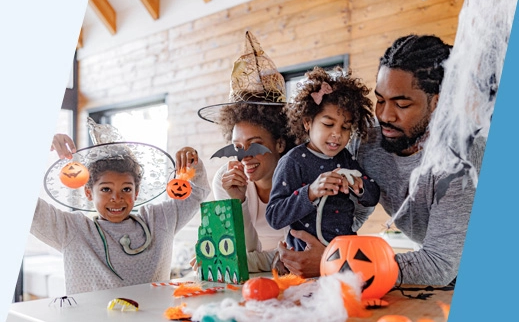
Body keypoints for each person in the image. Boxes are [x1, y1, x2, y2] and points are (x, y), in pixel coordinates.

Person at [277, 34, 485, 286]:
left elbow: (438, 264)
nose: (385, 115)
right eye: (380, 100)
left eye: (402, 104)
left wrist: (334, 262)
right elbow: (355, 210)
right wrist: (314, 243)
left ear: (437, 104)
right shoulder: (368, 140)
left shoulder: (462, 155)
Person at [30, 122, 210, 294]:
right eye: (106, 189)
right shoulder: (73, 229)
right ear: (88, 193)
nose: (116, 198)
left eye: (126, 189)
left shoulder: (158, 220)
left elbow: (197, 192)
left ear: (136, 192)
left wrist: (192, 161)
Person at [197, 31, 296, 272]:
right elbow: (240, 250)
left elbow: (294, 256)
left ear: (280, 143)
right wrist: (238, 201)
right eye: (237, 147)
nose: (244, 157)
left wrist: (246, 261)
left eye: (254, 144)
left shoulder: (301, 177)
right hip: (248, 282)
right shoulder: (226, 180)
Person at [266, 66, 380, 251]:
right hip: (304, 258)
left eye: (345, 128)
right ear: (307, 122)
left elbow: (373, 196)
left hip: (342, 255)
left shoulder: (345, 157)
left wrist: (359, 186)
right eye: (328, 124)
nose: (337, 134)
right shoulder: (293, 161)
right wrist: (310, 192)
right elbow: (274, 216)